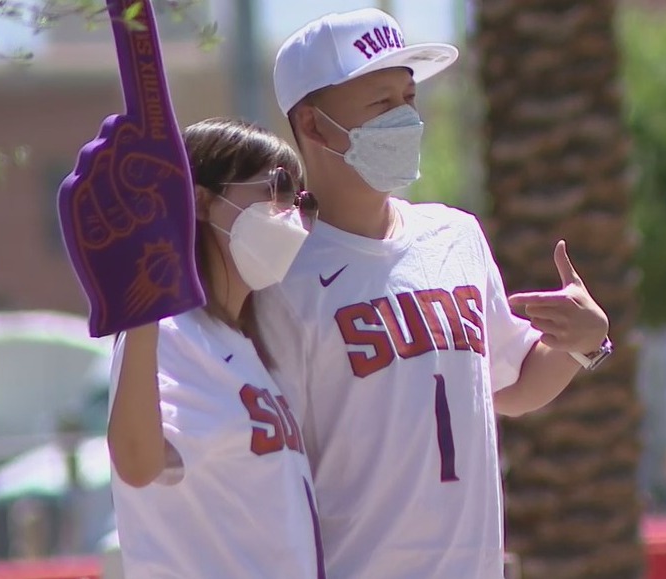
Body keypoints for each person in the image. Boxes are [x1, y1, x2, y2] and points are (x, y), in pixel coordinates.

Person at [256, 8, 613, 578]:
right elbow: (268, 471)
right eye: (381, 103)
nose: (405, 119)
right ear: (314, 126)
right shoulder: (276, 274)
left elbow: (513, 384)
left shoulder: (455, 235)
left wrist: (584, 343)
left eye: (408, 97)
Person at [106, 117, 324, 578]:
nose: (292, 212)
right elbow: (138, 461)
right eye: (277, 188)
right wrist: (144, 299)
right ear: (201, 201)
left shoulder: (255, 348)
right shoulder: (166, 333)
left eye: (301, 199)